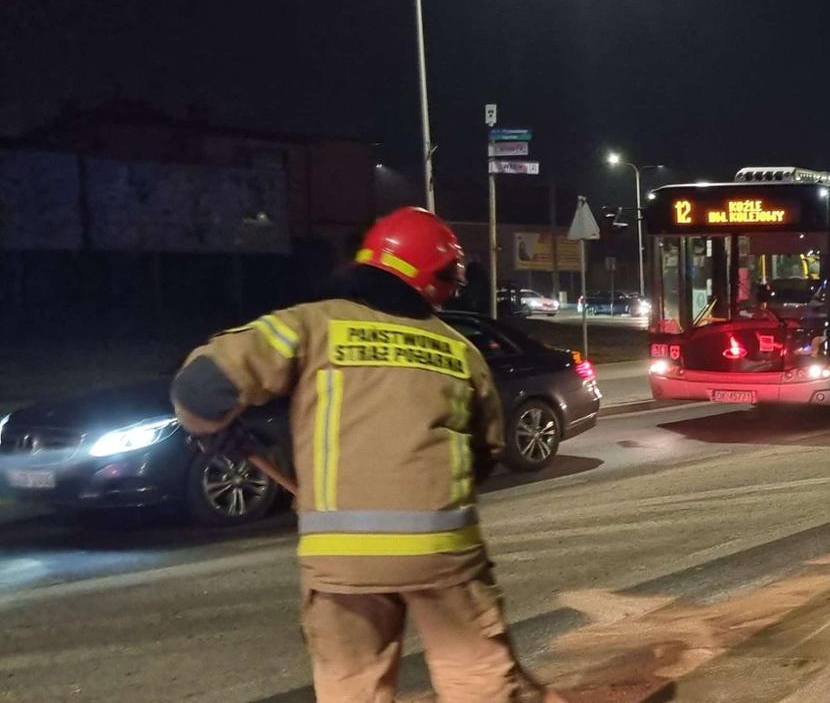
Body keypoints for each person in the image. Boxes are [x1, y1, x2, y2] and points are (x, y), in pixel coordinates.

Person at [169, 207, 558, 703]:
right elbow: (485, 453)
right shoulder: (460, 352)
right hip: (443, 556)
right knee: (477, 675)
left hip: (341, 563)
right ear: (432, 279)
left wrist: (209, 429)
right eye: (449, 279)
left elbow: (200, 389)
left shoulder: (309, 326)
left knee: (351, 687)